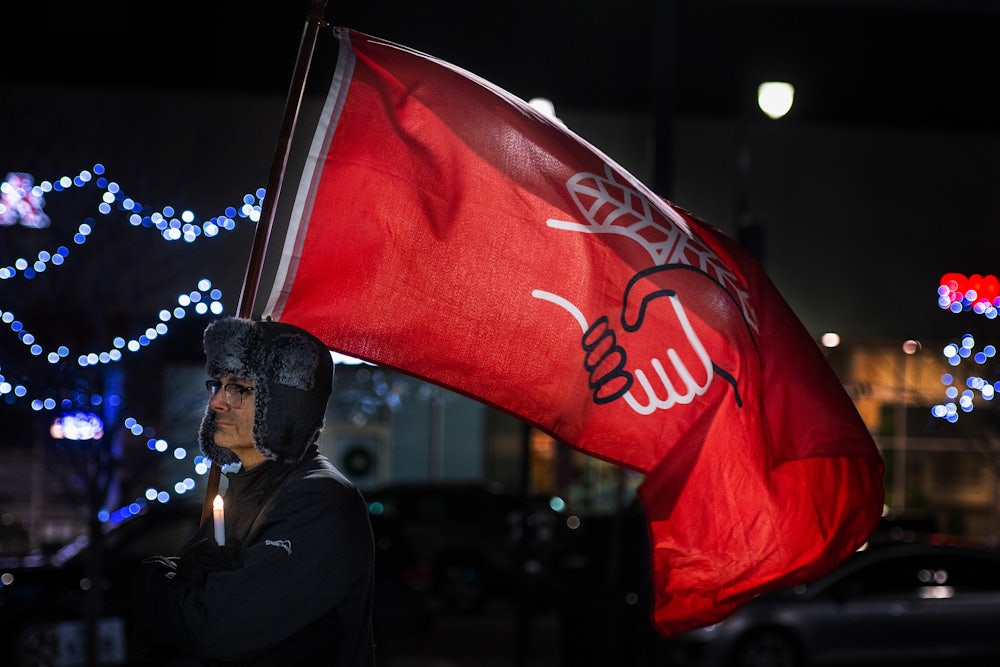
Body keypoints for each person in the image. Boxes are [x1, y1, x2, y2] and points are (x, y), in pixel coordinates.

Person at [132, 316, 376, 666]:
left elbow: (212, 630)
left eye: (238, 387)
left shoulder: (320, 500)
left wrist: (150, 579)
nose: (217, 401)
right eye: (216, 384)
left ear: (285, 404)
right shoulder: (244, 491)